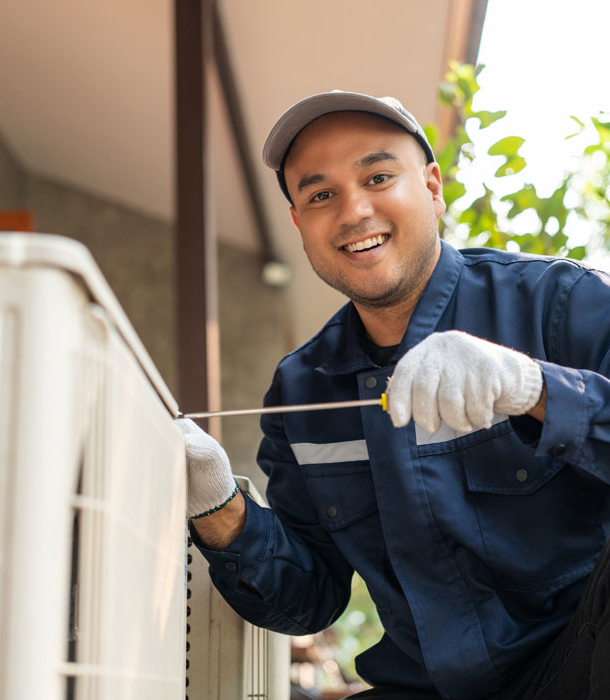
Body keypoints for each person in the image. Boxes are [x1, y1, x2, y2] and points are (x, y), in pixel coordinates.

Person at [176, 90, 610, 700]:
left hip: (580, 665)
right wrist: (219, 507)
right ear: (300, 223)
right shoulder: (301, 392)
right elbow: (309, 602)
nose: (353, 211)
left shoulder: (559, 303)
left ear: (432, 187)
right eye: (320, 194)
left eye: (378, 176)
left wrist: (534, 387)